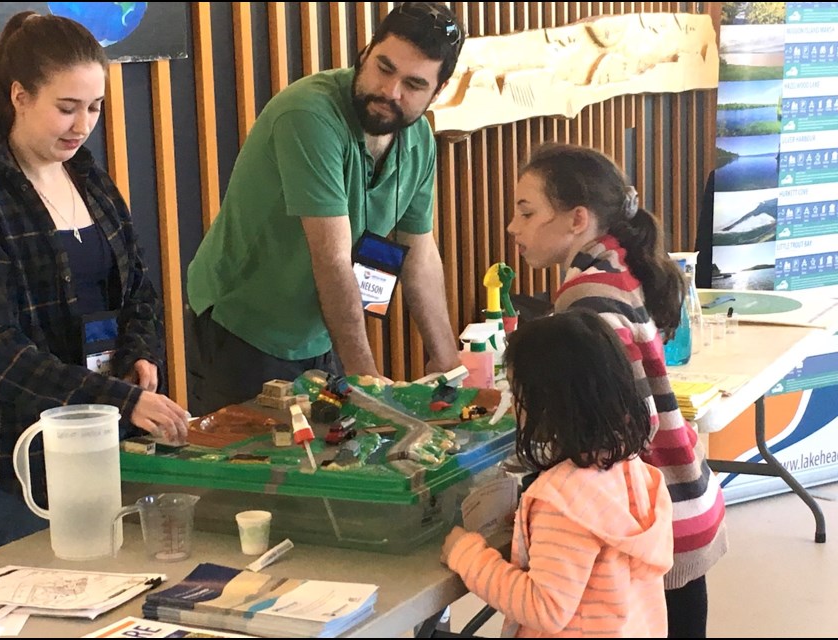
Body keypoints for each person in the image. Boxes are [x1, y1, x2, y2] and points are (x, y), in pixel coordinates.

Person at [0, 11, 189, 550]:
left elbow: (139, 285)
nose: (82, 124)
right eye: (66, 108)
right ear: (19, 96)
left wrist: (141, 353)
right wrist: (115, 398)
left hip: (109, 434)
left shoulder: (87, 175)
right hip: (23, 453)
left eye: (94, 108)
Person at [185, 2, 465, 417]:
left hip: (320, 329)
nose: (391, 91)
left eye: (413, 84)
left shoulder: (419, 139)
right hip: (243, 324)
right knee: (253, 470)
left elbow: (419, 251)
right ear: (366, 52)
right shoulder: (309, 115)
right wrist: (363, 377)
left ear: (437, 91)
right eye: (384, 68)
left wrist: (447, 362)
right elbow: (331, 258)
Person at [504, 143, 728, 638]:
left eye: (526, 212)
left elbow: (621, 420)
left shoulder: (588, 294)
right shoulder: (614, 264)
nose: (512, 228)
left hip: (657, 517)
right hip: (679, 501)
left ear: (577, 218)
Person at [442, 309, 674, 637]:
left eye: (516, 395)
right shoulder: (632, 470)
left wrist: (466, 554)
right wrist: (534, 525)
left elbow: (544, 608)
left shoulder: (559, 501)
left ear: (546, 405)